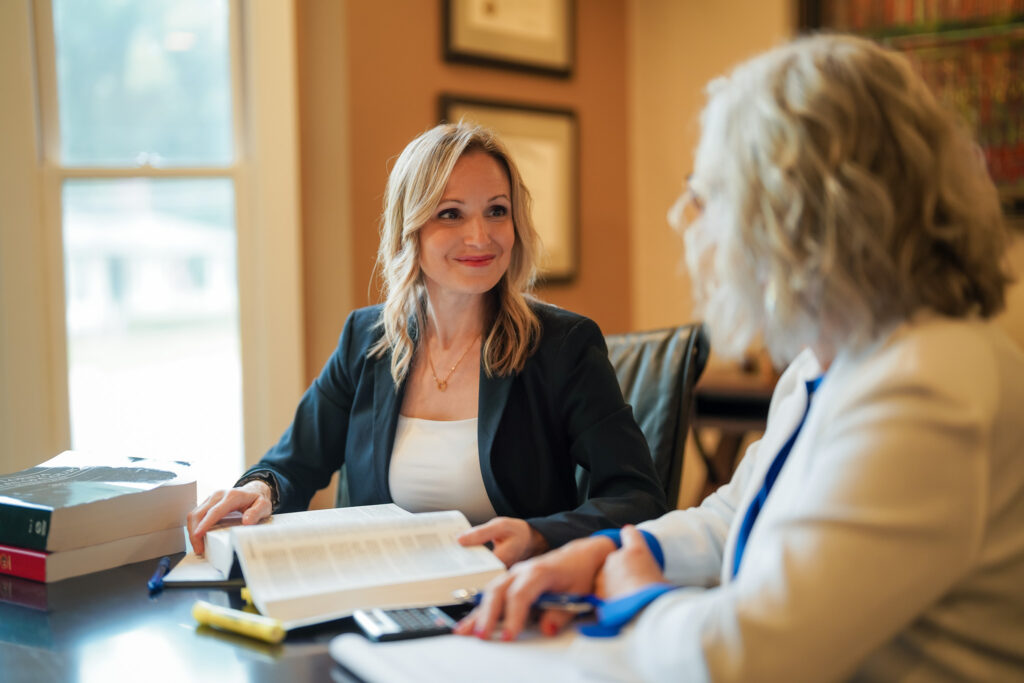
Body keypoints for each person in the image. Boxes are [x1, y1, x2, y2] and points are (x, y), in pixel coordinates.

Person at [456, 34, 1024, 681]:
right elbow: (739, 514)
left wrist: (640, 597)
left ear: (799, 212)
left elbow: (748, 658)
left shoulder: (930, 389)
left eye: (708, 193)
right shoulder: (830, 360)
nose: (682, 217)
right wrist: (609, 547)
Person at [187, 123, 668, 567]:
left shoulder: (563, 346)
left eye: (496, 211)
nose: (479, 236)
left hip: (509, 597)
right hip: (381, 593)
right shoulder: (366, 339)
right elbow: (293, 462)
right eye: (450, 214)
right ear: (409, 228)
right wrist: (260, 489)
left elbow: (637, 495)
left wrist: (540, 536)